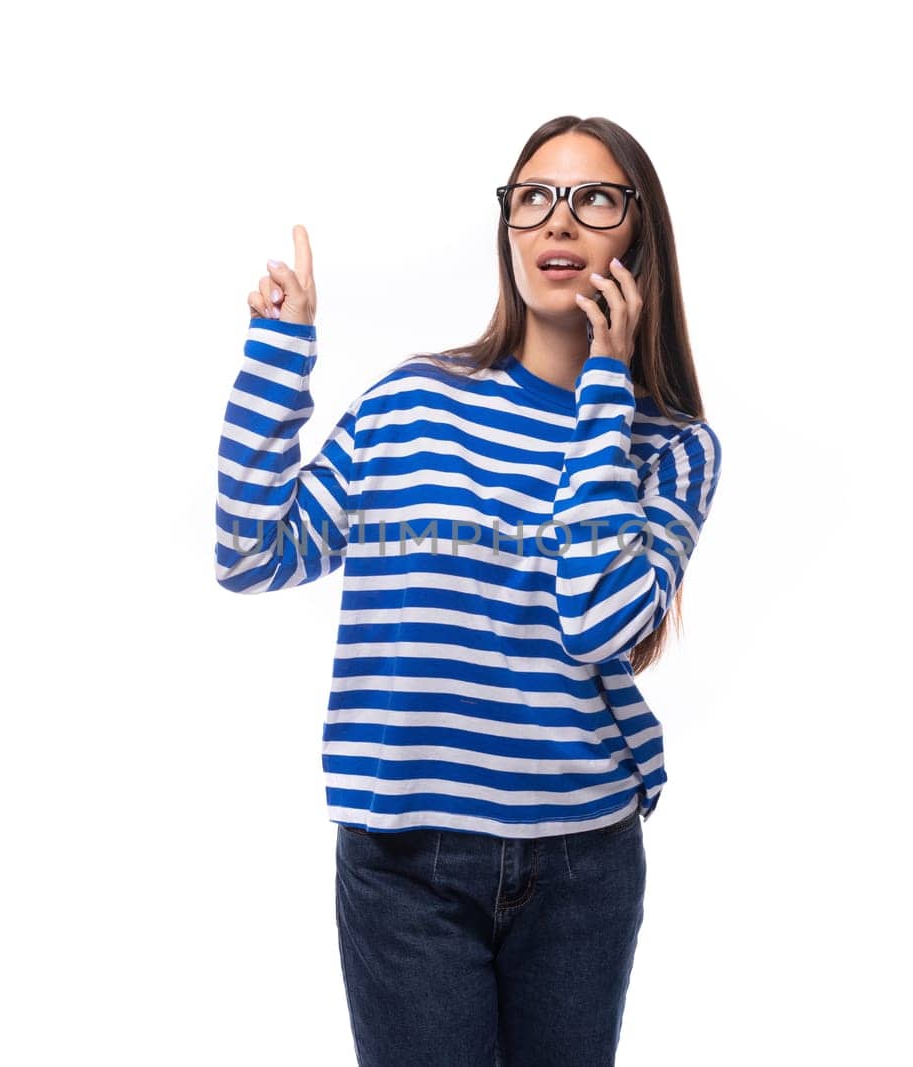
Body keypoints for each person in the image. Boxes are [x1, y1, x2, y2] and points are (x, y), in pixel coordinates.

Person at [215, 115, 721, 1066]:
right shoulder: (408, 403)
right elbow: (250, 553)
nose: (558, 222)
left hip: (582, 862)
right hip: (405, 862)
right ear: (509, 230)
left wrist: (606, 388)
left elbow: (599, 619)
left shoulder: (674, 448)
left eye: (594, 200)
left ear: (638, 239)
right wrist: (278, 356)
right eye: (534, 198)